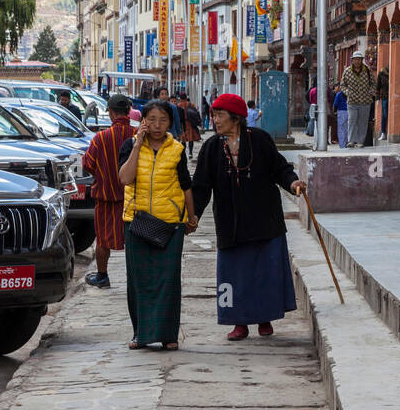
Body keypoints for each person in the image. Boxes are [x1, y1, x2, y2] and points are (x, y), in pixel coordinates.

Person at [191, 92, 306, 341]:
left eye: (220, 115)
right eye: (214, 115)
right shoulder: (211, 147)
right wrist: (193, 216)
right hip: (230, 223)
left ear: (236, 118)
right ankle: (239, 322)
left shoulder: (260, 140)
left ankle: (265, 318)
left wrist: (293, 182)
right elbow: (201, 186)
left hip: (264, 219)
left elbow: (279, 168)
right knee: (234, 275)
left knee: (264, 273)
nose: (215, 120)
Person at [118, 99, 197, 349]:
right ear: (143, 121)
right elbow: (125, 178)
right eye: (151, 119)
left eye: (163, 120)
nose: (157, 125)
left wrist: (191, 216)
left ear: (170, 123)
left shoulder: (177, 149)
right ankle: (140, 334)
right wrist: (137, 144)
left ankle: (168, 336)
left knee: (168, 280)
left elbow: (185, 185)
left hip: (170, 223)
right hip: (136, 222)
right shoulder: (130, 145)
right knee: (138, 280)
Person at [82, 94, 135, 289]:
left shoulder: (101, 138)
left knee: (103, 239)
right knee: (133, 239)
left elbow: (87, 164)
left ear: (111, 113)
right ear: (128, 112)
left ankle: (102, 276)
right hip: (133, 197)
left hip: (106, 195)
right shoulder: (137, 134)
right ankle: (136, 278)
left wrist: (104, 172)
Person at [339, 51, 375, 147]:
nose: (357, 61)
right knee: (351, 121)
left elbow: (373, 83)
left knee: (363, 122)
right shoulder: (347, 71)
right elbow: (342, 85)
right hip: (352, 102)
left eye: (359, 59)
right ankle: (351, 141)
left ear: (362, 60)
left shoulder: (367, 70)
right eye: (355, 59)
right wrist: (348, 93)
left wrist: (370, 92)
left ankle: (360, 142)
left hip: (365, 101)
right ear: (352, 60)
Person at [181, 95, 202, 159]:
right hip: (190, 123)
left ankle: (183, 153)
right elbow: (196, 113)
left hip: (183, 124)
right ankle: (190, 153)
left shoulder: (179, 105)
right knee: (191, 139)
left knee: (183, 139)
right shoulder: (191, 104)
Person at [376, 68, 389, 139]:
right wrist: (377, 98)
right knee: (384, 114)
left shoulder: (394, 71)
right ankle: (383, 132)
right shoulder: (382, 73)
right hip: (385, 97)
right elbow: (378, 86)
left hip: (393, 95)